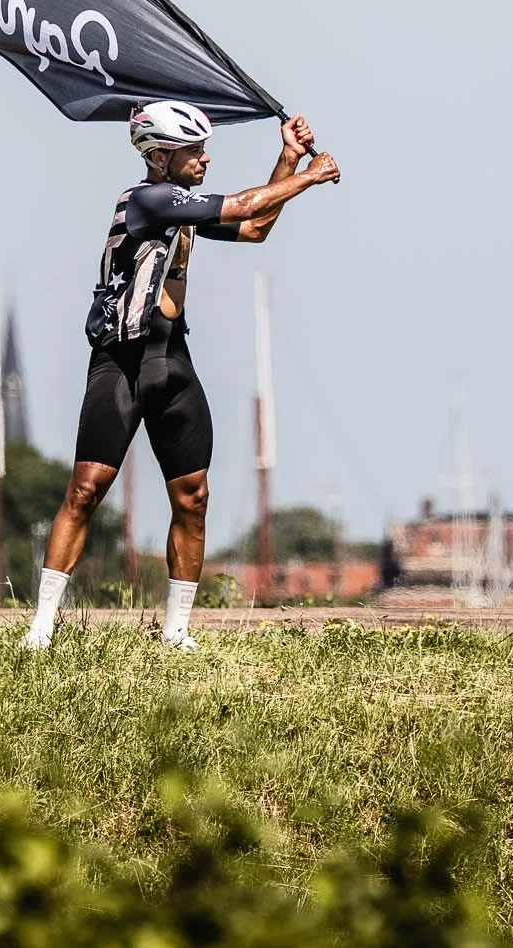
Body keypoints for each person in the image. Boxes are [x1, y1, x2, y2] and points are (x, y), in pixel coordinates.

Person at [22, 101, 340, 651]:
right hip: (121, 362)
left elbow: (254, 225)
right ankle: (41, 629)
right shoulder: (146, 200)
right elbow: (240, 202)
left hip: (173, 362)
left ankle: (176, 634)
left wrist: (287, 158)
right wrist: (311, 177)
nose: (206, 158)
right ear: (162, 156)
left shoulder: (181, 209)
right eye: (195, 151)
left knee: (193, 498)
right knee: (85, 491)